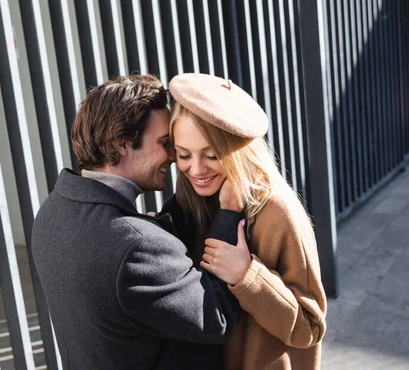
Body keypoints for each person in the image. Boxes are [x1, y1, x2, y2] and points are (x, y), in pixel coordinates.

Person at [31, 74, 241, 369]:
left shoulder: (53, 212)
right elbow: (216, 317)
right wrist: (229, 211)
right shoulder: (136, 245)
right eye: (164, 143)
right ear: (123, 143)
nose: (172, 156)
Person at [164, 73, 327, 369]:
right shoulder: (190, 195)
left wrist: (247, 275)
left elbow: (310, 328)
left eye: (212, 155)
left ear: (237, 152)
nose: (196, 169)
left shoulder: (278, 210)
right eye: (184, 154)